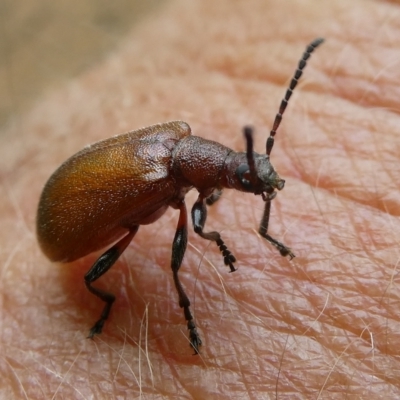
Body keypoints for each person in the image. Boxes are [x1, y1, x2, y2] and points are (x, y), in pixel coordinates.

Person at [1, 0, 399, 397]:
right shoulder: (160, 176)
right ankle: (165, 312)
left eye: (245, 175)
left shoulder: (185, 148)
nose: (250, 184)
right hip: (65, 226)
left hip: (97, 192)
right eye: (244, 178)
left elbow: (210, 193)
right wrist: (214, 239)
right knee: (134, 272)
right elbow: (192, 229)